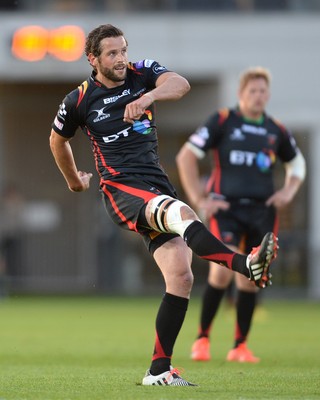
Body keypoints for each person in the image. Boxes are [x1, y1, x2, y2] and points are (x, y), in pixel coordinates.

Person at [49, 25, 278, 386]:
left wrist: (147, 98)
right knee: (183, 214)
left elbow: (181, 84)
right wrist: (74, 181)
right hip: (122, 189)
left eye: (123, 50)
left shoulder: (142, 72)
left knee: (181, 275)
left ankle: (158, 371)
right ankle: (246, 265)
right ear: (93, 59)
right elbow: (56, 140)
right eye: (112, 53)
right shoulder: (78, 100)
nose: (121, 58)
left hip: (154, 184)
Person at [176, 66, 305, 364]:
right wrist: (199, 198)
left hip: (261, 211)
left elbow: (297, 164)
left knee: (250, 277)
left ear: (268, 95)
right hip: (227, 209)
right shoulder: (222, 121)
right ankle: (202, 339)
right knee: (222, 271)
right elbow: (186, 156)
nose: (259, 96)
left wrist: (287, 192)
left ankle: (240, 346)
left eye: (263, 91)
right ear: (241, 94)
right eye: (253, 91)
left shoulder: (276, 130)